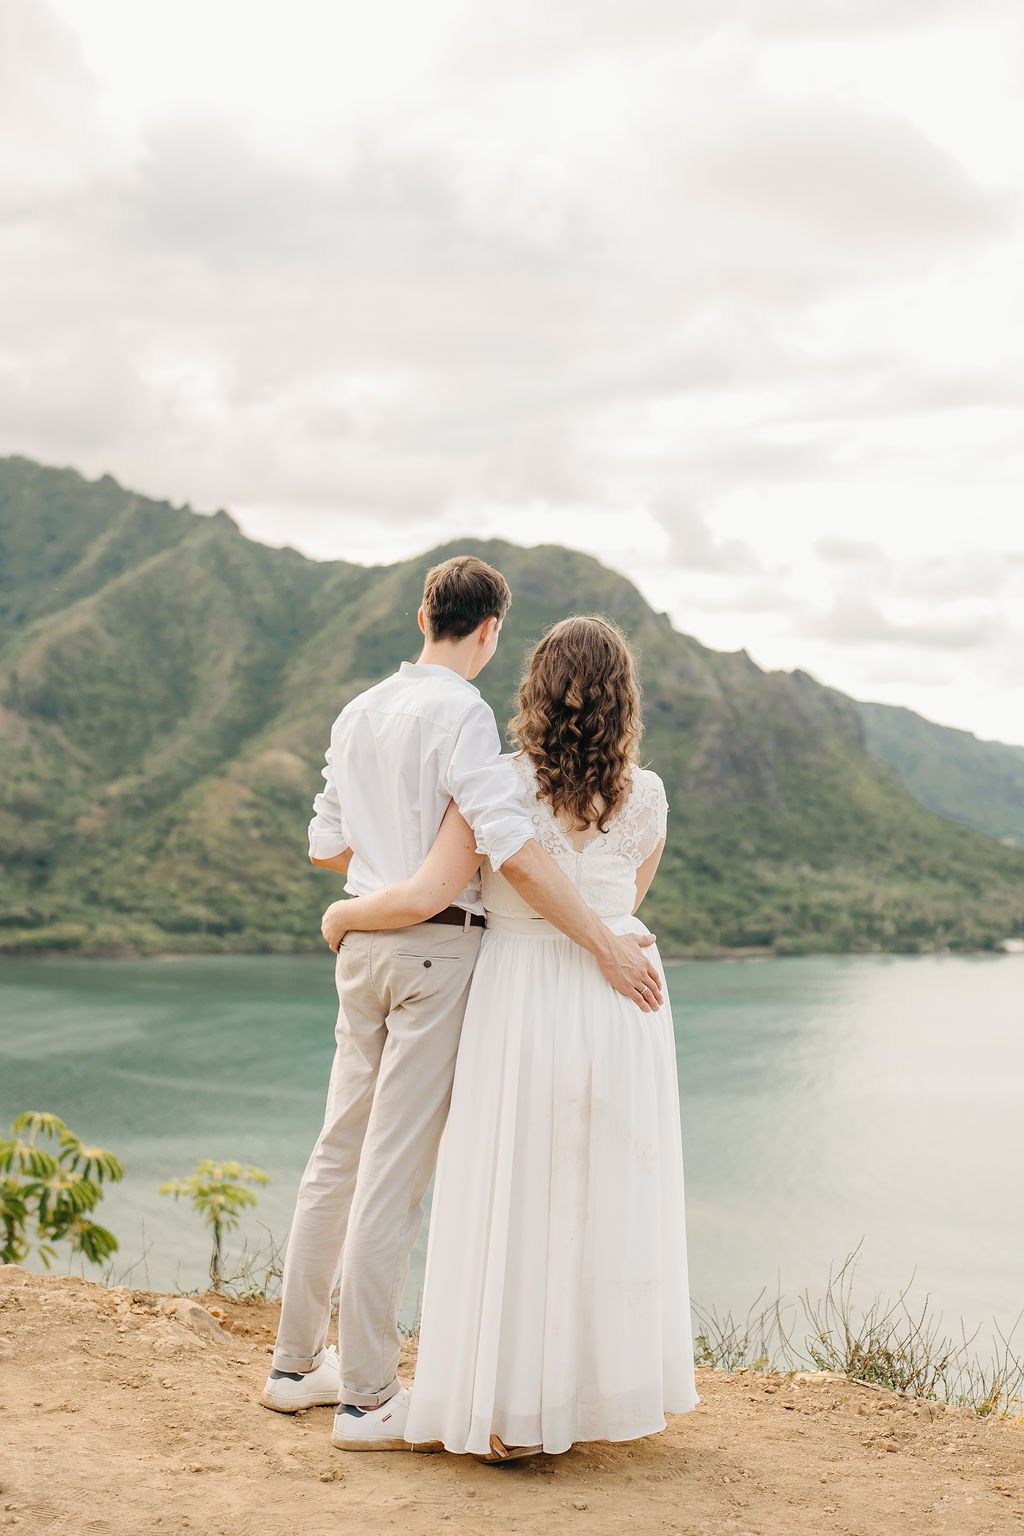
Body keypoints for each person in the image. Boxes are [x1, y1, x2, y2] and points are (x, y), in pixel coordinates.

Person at [260, 559, 664, 1448]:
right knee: (395, 1175)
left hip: (364, 944)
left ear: (422, 615)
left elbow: (328, 840)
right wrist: (599, 941)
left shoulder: (357, 710)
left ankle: (295, 1366)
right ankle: (367, 1397)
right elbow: (506, 846)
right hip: (434, 946)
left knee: (338, 1152)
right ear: (490, 629)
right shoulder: (465, 716)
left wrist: (368, 894)